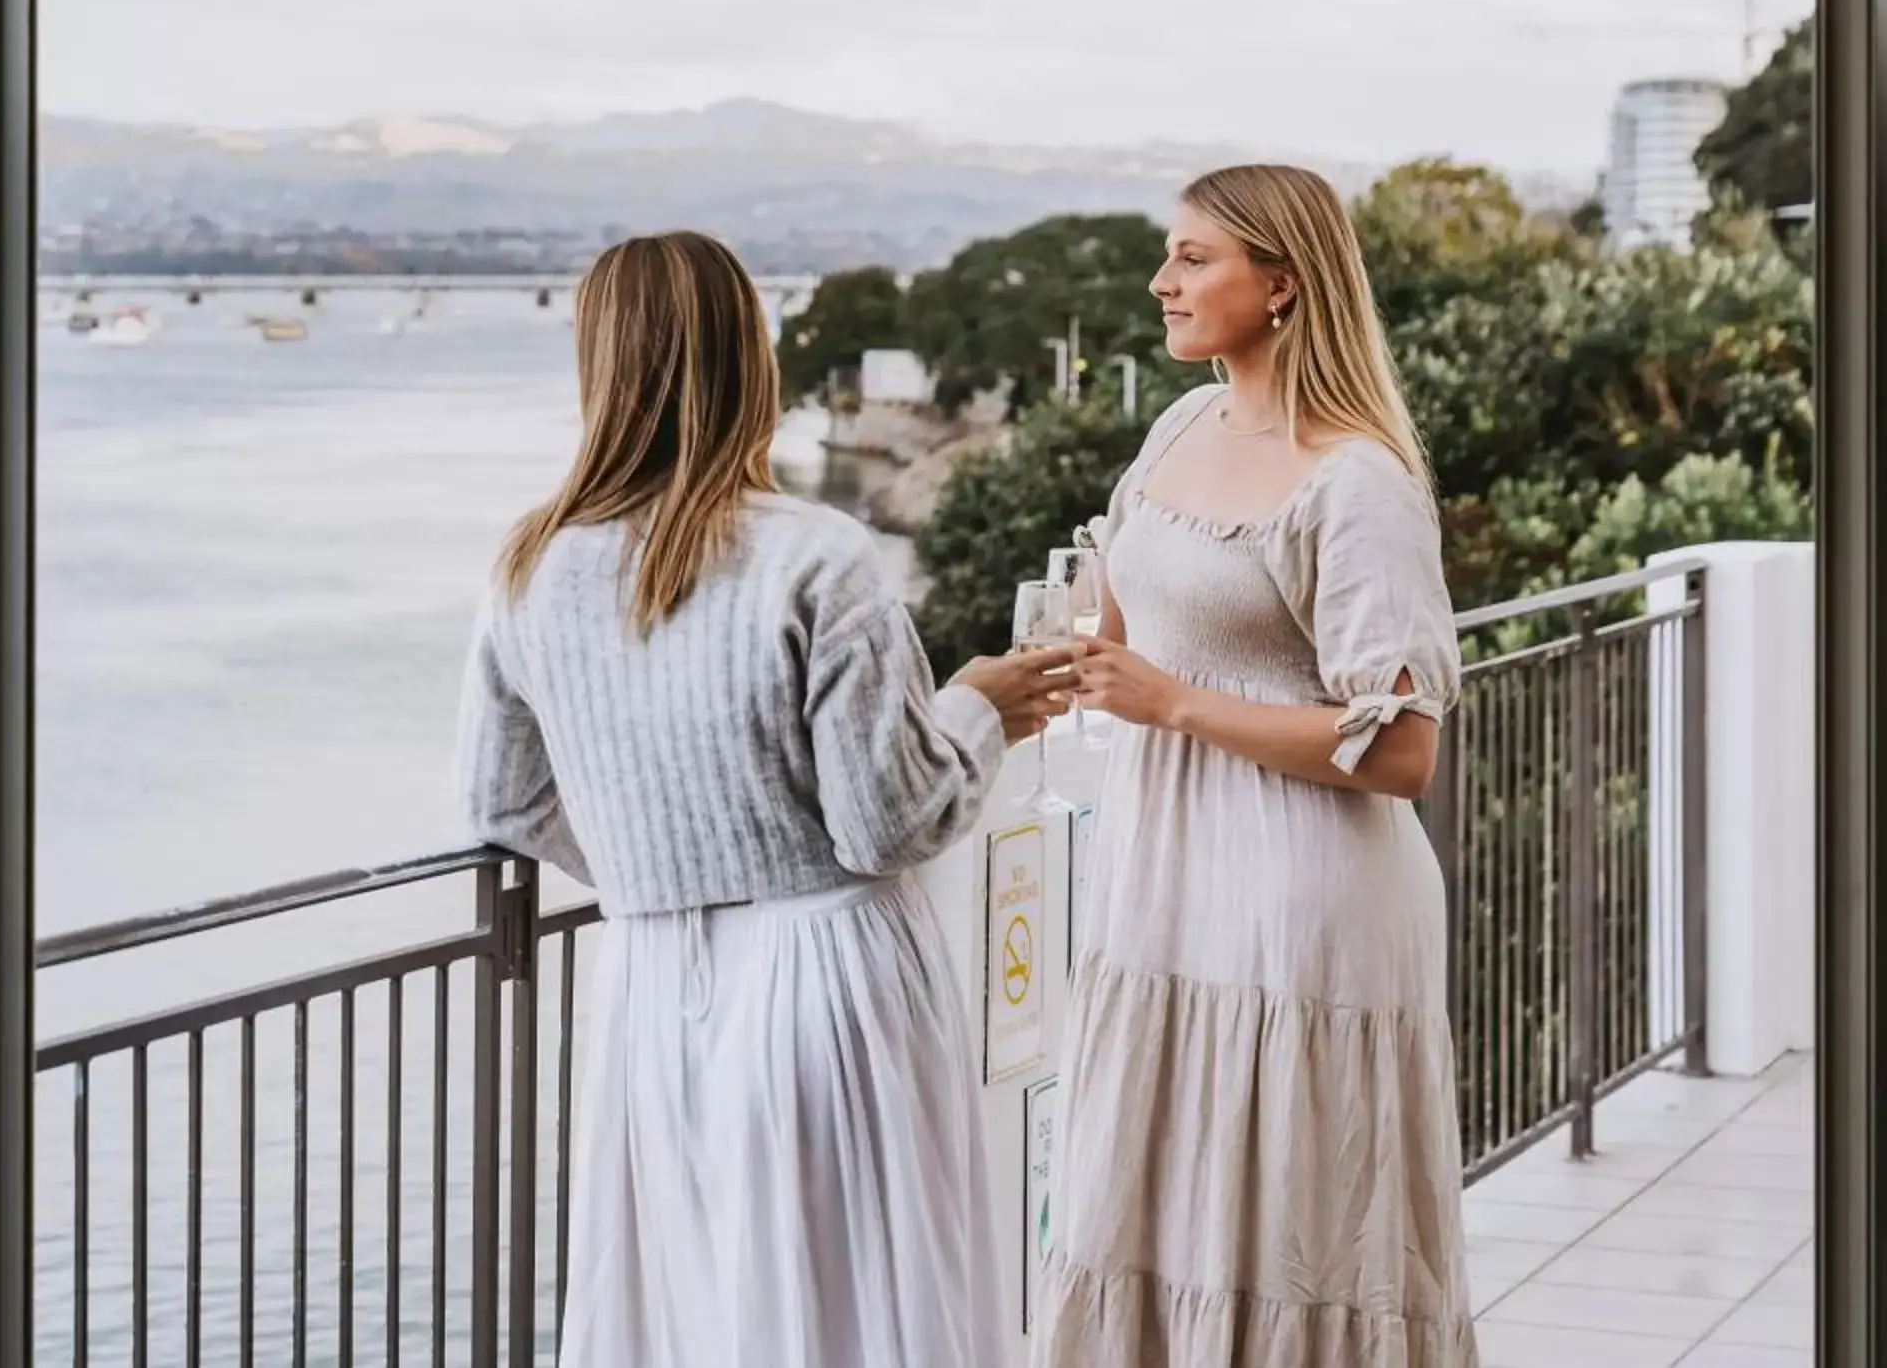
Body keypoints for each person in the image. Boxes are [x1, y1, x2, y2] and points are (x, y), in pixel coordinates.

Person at [459, 229, 1073, 1368]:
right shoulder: (817, 557)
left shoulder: (528, 565)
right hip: (829, 978)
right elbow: (886, 821)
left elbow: (501, 798)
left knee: (685, 1309)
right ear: (752, 361)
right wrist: (981, 705)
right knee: (857, 1305)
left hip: (650, 983)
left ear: (597, 366)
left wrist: (662, 861)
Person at [1042, 164, 1476, 1366]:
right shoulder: (1181, 424)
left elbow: (1401, 747)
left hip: (1299, 905)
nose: (1160, 281)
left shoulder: (1358, 482)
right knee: (1155, 1195)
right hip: (1159, 882)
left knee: (1288, 1214)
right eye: (1169, 254)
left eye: (1193, 258)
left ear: (1281, 282)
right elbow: (1119, 621)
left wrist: (1174, 702)